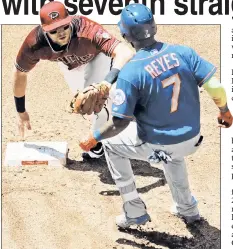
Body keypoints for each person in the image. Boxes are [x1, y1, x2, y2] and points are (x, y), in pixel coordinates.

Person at [79, 3, 233, 228]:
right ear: (154, 26)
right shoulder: (183, 52)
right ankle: (187, 209)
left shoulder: (131, 72)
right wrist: (225, 112)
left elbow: (120, 123)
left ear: (125, 35)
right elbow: (216, 87)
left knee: (111, 144)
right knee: (171, 154)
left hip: (159, 144)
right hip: (192, 140)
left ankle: (134, 211)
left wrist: (95, 138)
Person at [13, 1, 134, 159]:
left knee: (100, 99)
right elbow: (19, 74)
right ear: (44, 30)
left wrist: (107, 81)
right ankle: (105, 132)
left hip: (97, 58)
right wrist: (21, 110)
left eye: (65, 26)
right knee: (85, 104)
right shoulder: (34, 44)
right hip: (69, 66)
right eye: (54, 31)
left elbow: (125, 52)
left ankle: (99, 141)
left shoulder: (87, 29)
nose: (61, 33)